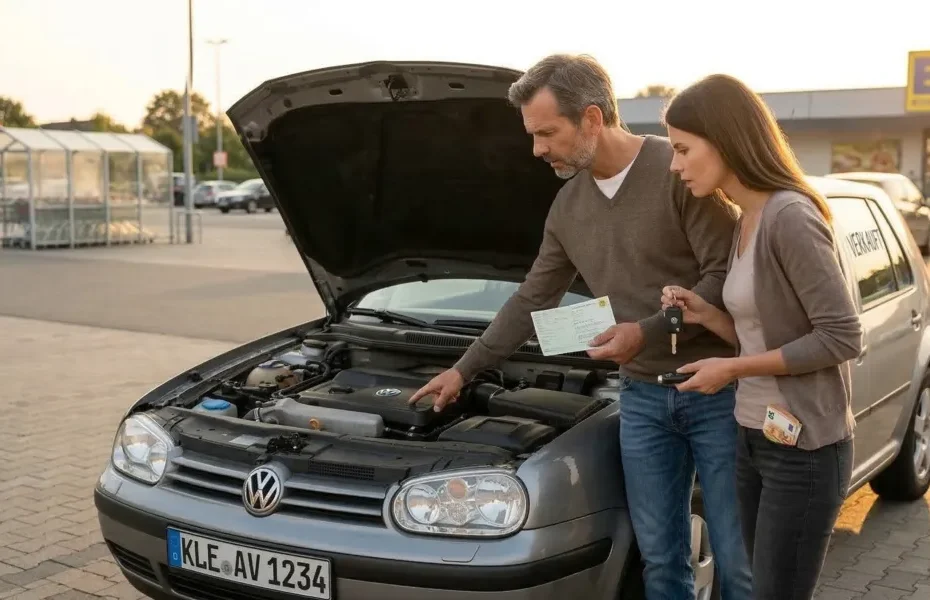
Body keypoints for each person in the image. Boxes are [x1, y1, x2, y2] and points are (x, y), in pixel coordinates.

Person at [407, 54, 753, 599]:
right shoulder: (567, 207)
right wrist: (464, 370)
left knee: (738, 561)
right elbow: (532, 298)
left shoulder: (681, 170)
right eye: (533, 135)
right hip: (641, 400)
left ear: (592, 120)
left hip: (716, 393)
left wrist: (644, 329)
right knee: (661, 560)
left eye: (547, 132)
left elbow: (722, 278)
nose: (537, 149)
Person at [658, 73, 863, 599]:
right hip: (753, 434)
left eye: (683, 149)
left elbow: (841, 336)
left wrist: (732, 369)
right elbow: (759, 335)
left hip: (805, 448)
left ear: (725, 140)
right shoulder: (745, 219)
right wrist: (708, 314)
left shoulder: (789, 216)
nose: (674, 164)